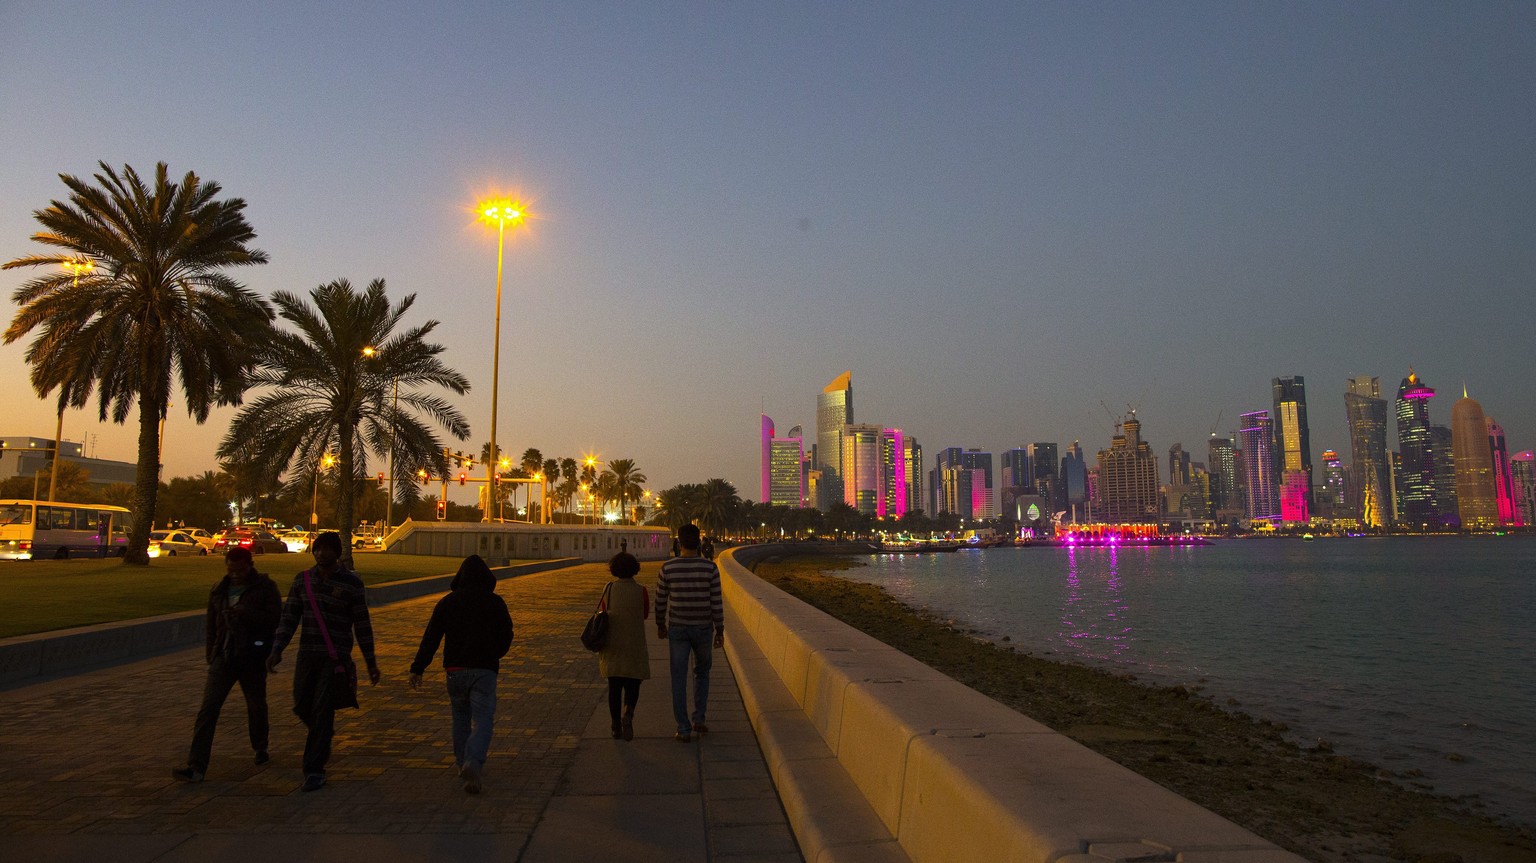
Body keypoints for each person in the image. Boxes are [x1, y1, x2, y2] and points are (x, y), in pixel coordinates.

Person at [266, 531, 380, 793]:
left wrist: (370, 662)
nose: (320, 554)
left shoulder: (352, 584)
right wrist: (277, 649)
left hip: (334, 658)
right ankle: (322, 734)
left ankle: (314, 769)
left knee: (321, 709)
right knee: (301, 704)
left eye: (326, 549)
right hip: (307, 655)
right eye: (317, 549)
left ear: (337, 553)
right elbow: (289, 618)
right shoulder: (302, 581)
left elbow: (362, 625)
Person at [172, 546, 282, 782]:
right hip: (224, 655)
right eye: (230, 570)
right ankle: (197, 765)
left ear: (250, 566)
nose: (234, 575)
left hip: (251, 655)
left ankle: (260, 746)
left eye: (239, 570)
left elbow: (274, 620)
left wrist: (246, 614)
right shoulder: (219, 589)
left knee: (256, 704)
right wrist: (211, 653)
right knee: (208, 708)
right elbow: (211, 623)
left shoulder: (264, 587)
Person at [408, 555, 513, 794]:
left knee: (460, 718)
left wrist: (417, 668)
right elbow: (507, 634)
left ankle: (461, 763)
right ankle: (473, 763)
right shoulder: (495, 602)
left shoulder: (448, 602)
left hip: (454, 671)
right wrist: (496, 654)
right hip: (484, 670)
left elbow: (431, 638)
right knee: (483, 719)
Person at [655, 523, 723, 742]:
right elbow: (716, 602)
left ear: (679, 543)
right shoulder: (710, 568)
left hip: (678, 628)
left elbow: (660, 601)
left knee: (678, 677)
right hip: (703, 628)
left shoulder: (668, 568)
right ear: (699, 543)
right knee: (702, 673)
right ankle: (699, 719)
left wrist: (660, 625)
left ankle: (683, 728)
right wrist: (720, 629)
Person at [596, 551, 649, 741]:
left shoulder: (608, 589)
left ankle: (615, 726)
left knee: (614, 687)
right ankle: (629, 712)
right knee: (633, 683)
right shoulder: (641, 590)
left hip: (613, 645)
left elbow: (604, 611)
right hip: (634, 644)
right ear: (635, 569)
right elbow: (644, 614)